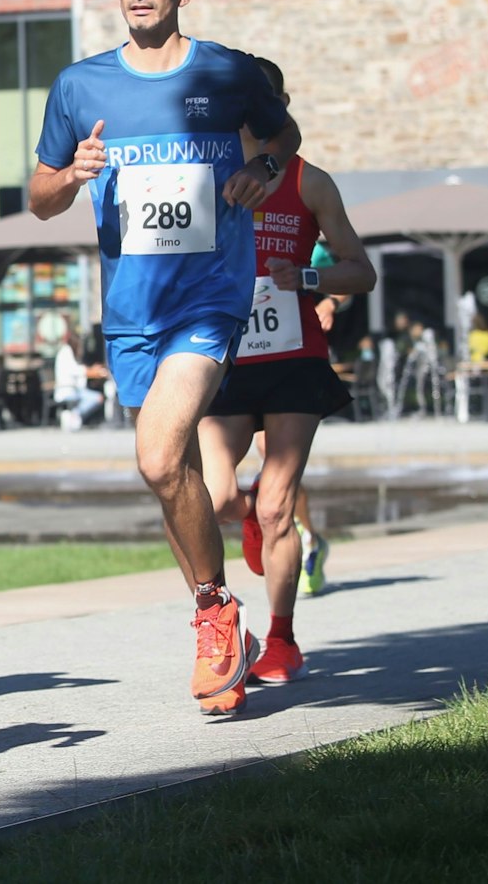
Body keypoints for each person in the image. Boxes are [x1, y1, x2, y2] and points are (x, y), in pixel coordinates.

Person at [29, 0, 302, 717]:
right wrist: (71, 175)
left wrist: (264, 167)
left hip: (210, 297)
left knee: (156, 459)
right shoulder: (81, 86)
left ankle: (213, 616)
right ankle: (218, 613)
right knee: (169, 476)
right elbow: (40, 196)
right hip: (130, 311)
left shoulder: (226, 71)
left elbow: (283, 132)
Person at [197, 57, 375, 711]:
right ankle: (251, 525)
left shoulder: (309, 182)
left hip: (295, 359)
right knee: (216, 499)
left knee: (278, 506)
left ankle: (280, 638)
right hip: (226, 358)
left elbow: (361, 272)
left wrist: (302, 278)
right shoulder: (208, 177)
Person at [52, 320, 104, 432]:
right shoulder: (66, 352)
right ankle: (74, 415)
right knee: (97, 398)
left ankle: (74, 415)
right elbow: (75, 370)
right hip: (67, 389)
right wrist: (93, 371)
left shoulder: (67, 352)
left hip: (73, 389)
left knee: (94, 396)